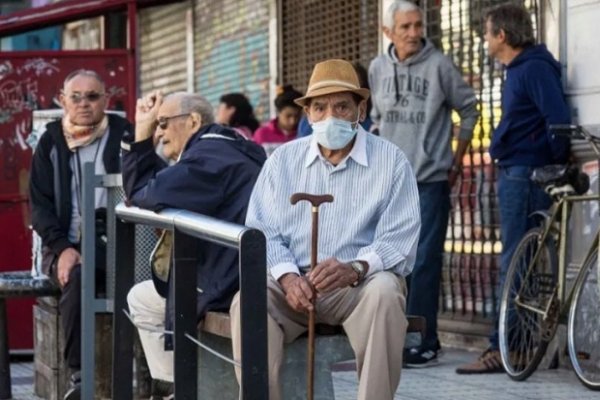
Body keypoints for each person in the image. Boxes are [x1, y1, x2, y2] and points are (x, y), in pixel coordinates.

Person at [230, 59, 421, 400]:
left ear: (360, 109)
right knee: (248, 301)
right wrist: (288, 278)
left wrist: (355, 268)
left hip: (356, 287)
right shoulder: (281, 161)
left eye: (341, 106)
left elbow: (399, 239)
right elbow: (261, 232)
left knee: (387, 294)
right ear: (308, 115)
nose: (330, 116)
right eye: (320, 107)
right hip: (293, 287)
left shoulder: (391, 161)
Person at [121, 91, 266, 396]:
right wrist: (141, 135)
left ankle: (181, 387)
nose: (159, 133)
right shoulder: (222, 149)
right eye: (156, 125)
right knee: (145, 296)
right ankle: (181, 385)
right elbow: (155, 186)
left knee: (143, 298)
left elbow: (142, 192)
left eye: (163, 123)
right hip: (234, 272)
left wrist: (141, 134)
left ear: (194, 121)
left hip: (228, 282)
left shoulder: (210, 157)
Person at [455, 4, 570, 374]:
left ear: (502, 35)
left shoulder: (533, 67)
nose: (485, 40)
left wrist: (550, 163)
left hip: (526, 173)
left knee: (515, 263)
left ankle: (503, 348)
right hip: (517, 170)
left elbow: (558, 121)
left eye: (487, 33)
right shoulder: (519, 69)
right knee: (524, 262)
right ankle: (518, 344)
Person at [368, 0, 479, 367]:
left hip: (430, 179)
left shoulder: (440, 65)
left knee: (425, 260)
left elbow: (469, 108)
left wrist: (458, 156)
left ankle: (424, 341)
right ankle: (393, 335)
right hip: (389, 183)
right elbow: (377, 118)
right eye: (406, 27)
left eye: (418, 25)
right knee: (389, 259)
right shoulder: (377, 68)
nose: (415, 33)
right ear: (388, 32)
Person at [30, 69, 133, 399]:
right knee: (76, 279)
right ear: (63, 101)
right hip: (66, 243)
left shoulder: (123, 133)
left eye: (92, 96)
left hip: (115, 241)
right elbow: (40, 206)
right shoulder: (49, 140)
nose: (84, 104)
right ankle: (79, 377)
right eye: (76, 97)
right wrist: (62, 248)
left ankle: (151, 376)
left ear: (105, 100)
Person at [297, 62, 376, 137]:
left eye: (342, 108)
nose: (330, 118)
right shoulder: (305, 128)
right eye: (320, 109)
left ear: (361, 110)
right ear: (308, 114)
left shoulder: (372, 129)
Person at [253, 85, 302, 155]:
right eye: (288, 116)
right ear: (278, 112)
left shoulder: (304, 134)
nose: (293, 121)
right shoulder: (261, 134)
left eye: (297, 116)